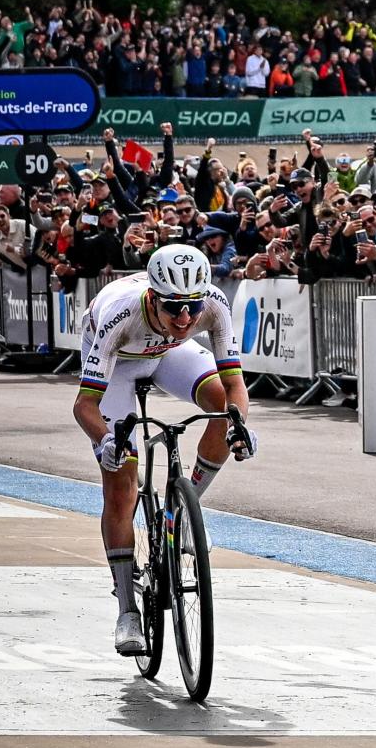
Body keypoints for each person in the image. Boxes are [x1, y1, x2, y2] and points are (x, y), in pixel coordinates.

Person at [72, 245, 257, 655]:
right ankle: (126, 610)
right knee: (121, 482)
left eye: (193, 307)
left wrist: (237, 426)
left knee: (225, 414)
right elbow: (84, 405)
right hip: (118, 363)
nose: (186, 318)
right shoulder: (121, 313)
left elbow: (234, 386)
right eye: (175, 307)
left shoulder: (213, 305)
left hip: (169, 355)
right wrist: (105, 441)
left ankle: (183, 511)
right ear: (154, 296)